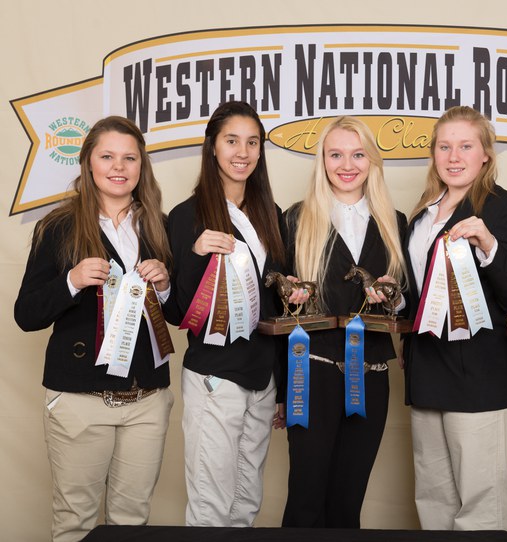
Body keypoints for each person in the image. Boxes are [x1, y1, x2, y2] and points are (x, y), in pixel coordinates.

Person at [14, 116, 174, 542]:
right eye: (107, 156)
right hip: (81, 399)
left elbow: (175, 318)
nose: (118, 167)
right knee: (75, 522)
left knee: (132, 521)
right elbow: (26, 314)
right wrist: (71, 280)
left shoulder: (158, 224)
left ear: (142, 166)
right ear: (87, 162)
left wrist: (165, 284)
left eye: (129, 158)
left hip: (147, 399)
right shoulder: (58, 226)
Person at [403, 105, 507, 530]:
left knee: (481, 504)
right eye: (445, 146)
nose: (454, 156)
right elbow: (418, 295)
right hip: (426, 368)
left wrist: (488, 243)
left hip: (479, 371)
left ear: (485, 155)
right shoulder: (422, 214)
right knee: (434, 497)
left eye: (465, 146)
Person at [280, 116, 407, 528]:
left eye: (357, 154)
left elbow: (413, 301)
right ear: (323, 159)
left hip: (371, 377)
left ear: (372, 160)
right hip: (311, 375)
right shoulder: (295, 220)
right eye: (336, 154)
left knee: (349, 501)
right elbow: (277, 303)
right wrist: (291, 296)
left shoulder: (396, 222)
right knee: (305, 499)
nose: (347, 164)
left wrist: (394, 295)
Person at [167, 101, 286, 527]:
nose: (243, 152)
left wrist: (285, 384)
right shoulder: (186, 217)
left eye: (253, 142)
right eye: (232, 140)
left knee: (246, 500)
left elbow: (279, 307)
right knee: (211, 505)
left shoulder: (271, 216)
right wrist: (198, 256)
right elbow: (176, 311)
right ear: (212, 147)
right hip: (215, 375)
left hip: (262, 375)